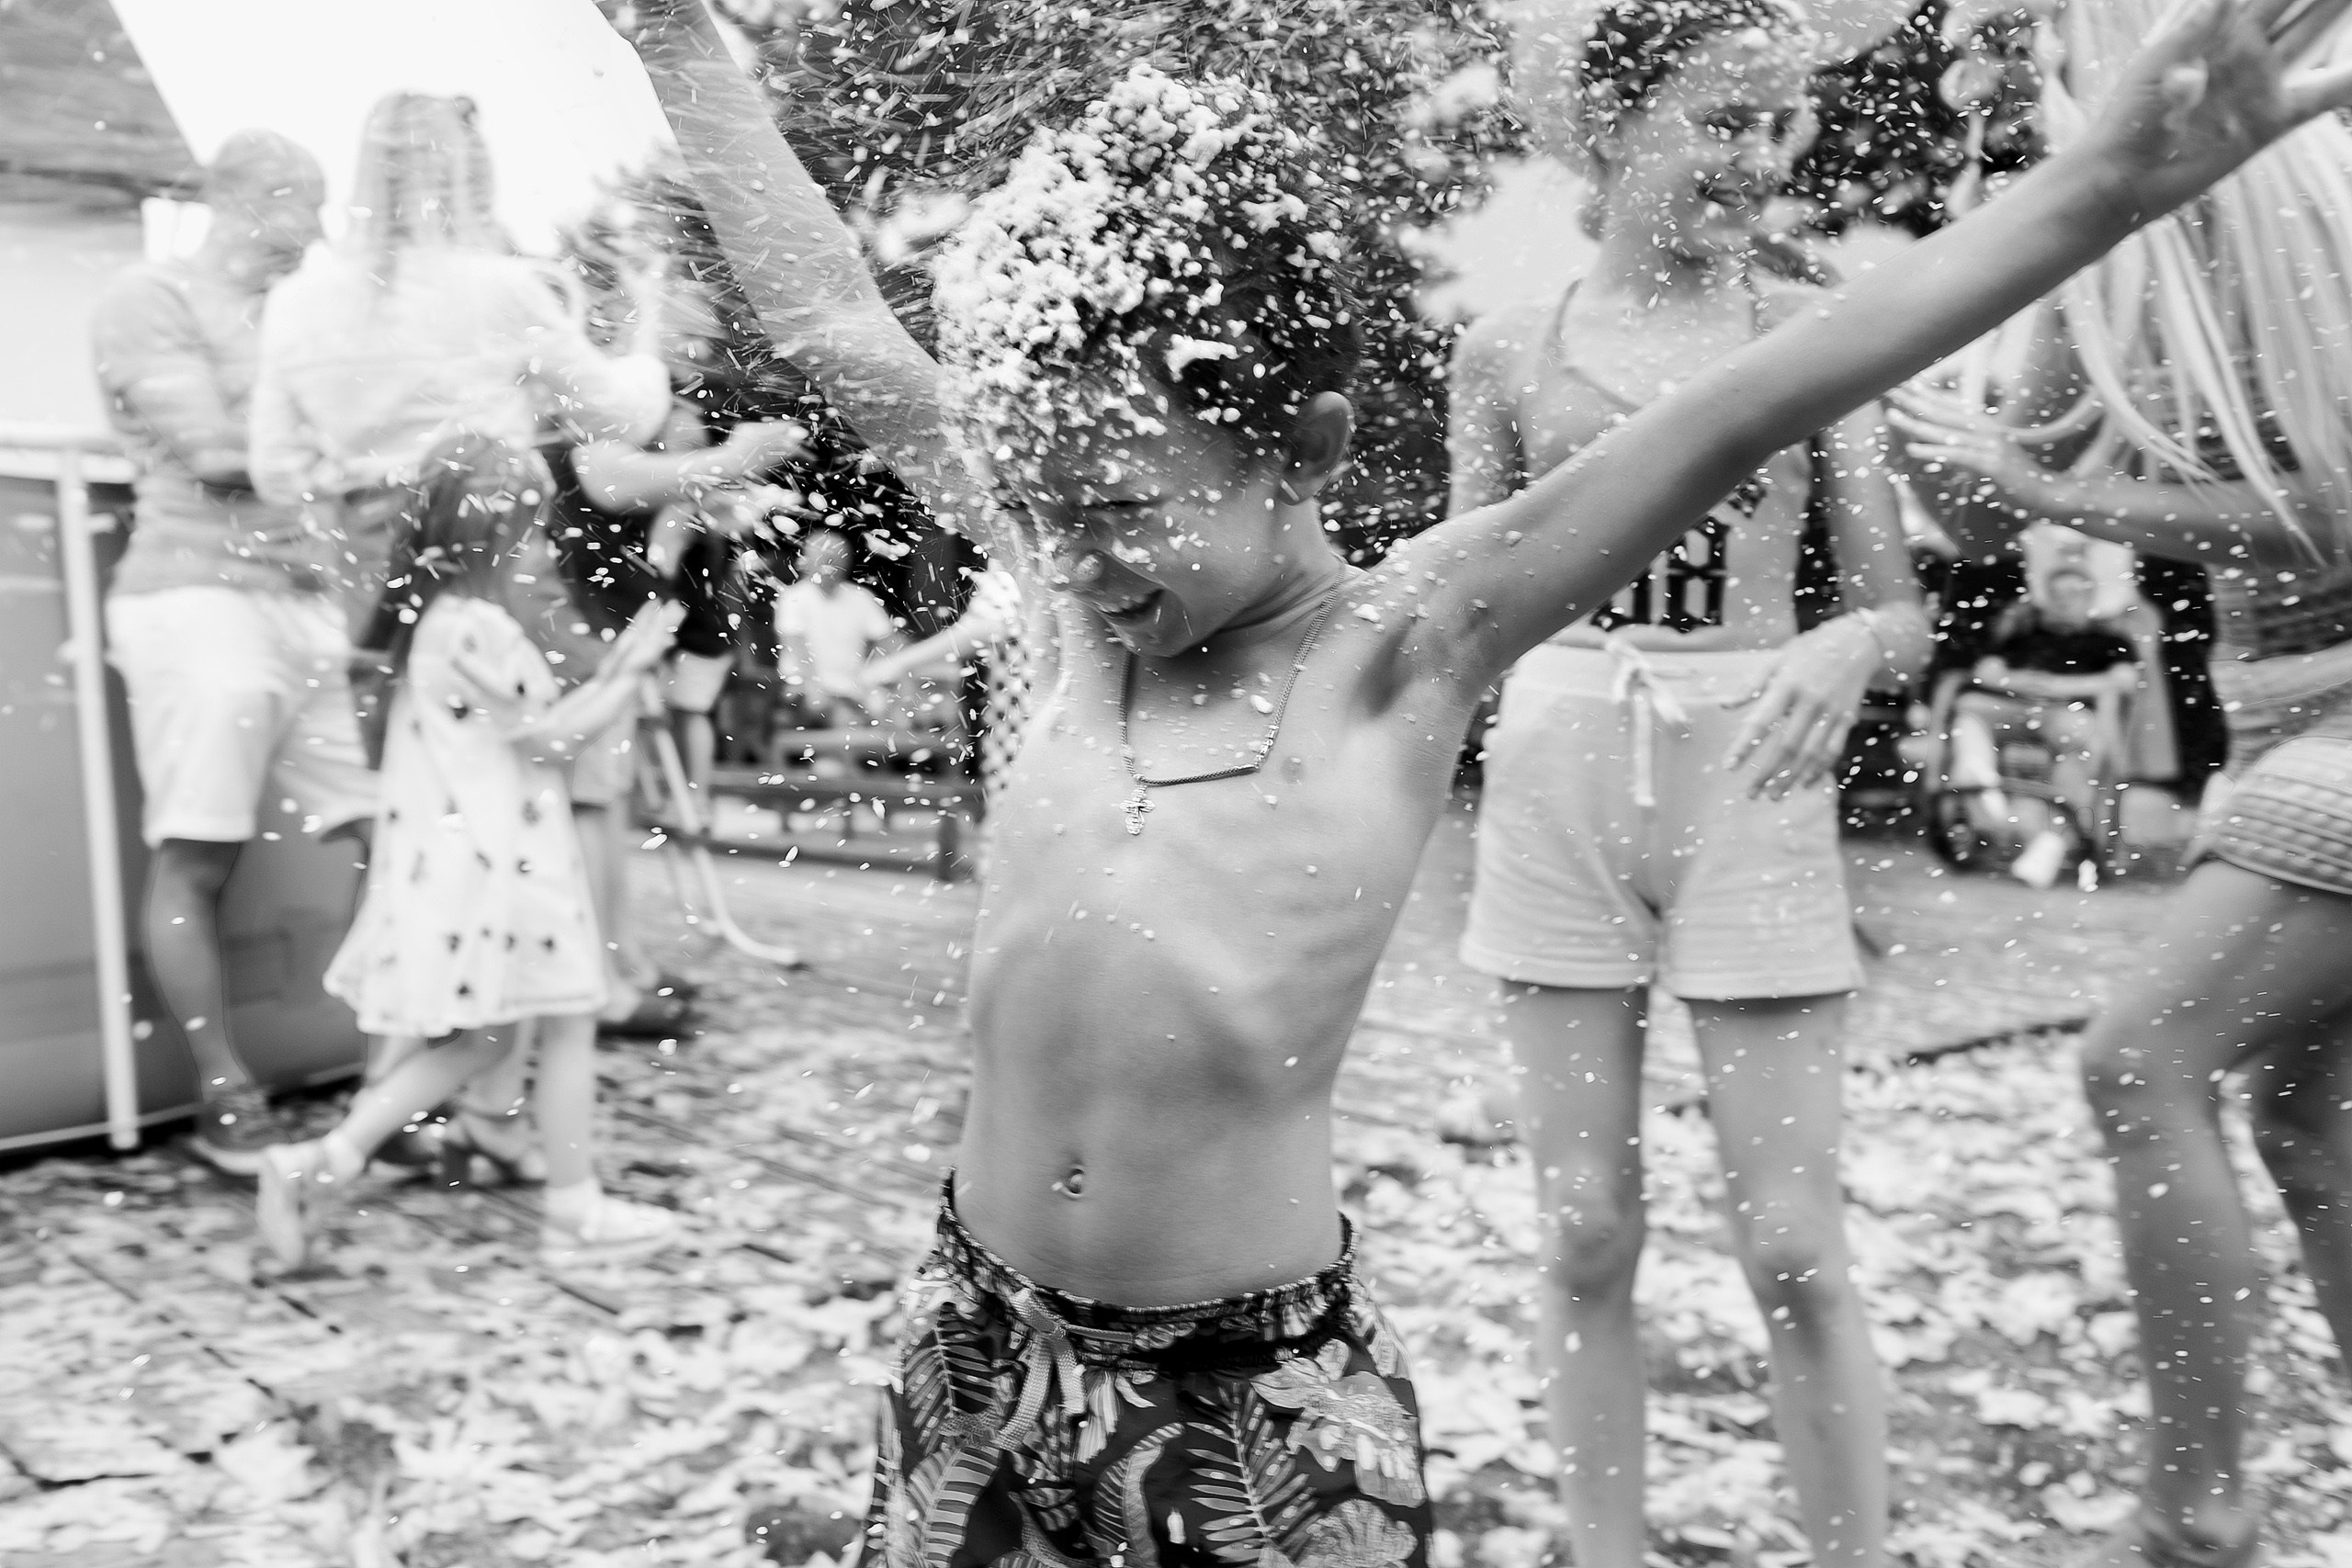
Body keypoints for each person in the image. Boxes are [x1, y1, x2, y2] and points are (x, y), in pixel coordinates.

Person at [608, 0, 2352, 1562]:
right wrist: (679, 37)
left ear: (1302, 448)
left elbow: (1752, 404)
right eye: (1042, 509)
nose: (1067, 554)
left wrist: (2105, 187)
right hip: (974, 1336)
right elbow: (834, 318)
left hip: (1241, 1405)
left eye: (1120, 511)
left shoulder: (1402, 649)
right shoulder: (1073, 598)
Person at [1442, 3, 1933, 1557]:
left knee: (1792, 1243)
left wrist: (1847, 642)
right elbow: (1455, 609)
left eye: (1776, 123)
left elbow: (1901, 613)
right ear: (1611, 124)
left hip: (1753, 773)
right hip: (1558, 779)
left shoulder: (1814, 335)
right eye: (1723, 119)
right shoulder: (1505, 350)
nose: (1760, 157)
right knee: (1585, 1224)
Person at [254, 432, 685, 1268]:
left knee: (480, 1040)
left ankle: (319, 1162)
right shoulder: (478, 626)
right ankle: (575, 1211)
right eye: (530, 530)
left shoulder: (440, 624)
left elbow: (529, 733)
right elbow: (553, 742)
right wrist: (629, 673)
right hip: (511, 868)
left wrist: (617, 671)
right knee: (569, 1024)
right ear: (490, 536)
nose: (541, 548)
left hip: (475, 867)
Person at [91, 129, 378, 1173]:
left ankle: (386, 1076)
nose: (320, 227)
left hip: (305, 605)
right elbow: (215, 451)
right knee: (200, 854)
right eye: (305, 201)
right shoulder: (151, 297)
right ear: (245, 199)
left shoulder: (297, 314)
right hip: (194, 601)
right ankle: (225, 1089)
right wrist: (352, 441)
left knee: (397, 834)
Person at [249, 92, 671, 648]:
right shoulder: (498, 288)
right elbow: (622, 417)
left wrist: (368, 479)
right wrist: (649, 326)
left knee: (404, 701)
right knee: (546, 696)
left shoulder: (295, 302)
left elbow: (276, 471)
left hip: (372, 587)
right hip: (493, 560)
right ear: (465, 177)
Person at [1947, 564, 2138, 887]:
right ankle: (1980, 783)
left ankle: (2053, 840)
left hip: (2067, 713)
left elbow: (2125, 681)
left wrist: (2059, 687)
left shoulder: (2108, 641)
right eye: (2057, 594)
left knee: (2081, 738)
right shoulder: (2024, 635)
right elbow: (1985, 671)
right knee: (1968, 707)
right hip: (2014, 708)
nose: (2064, 601)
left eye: (2073, 594)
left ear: (2090, 598)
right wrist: (2016, 681)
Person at [775, 525, 898, 731]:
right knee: (842, 718)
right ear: (807, 561)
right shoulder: (793, 597)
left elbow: (888, 642)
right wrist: (816, 687)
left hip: (852, 688)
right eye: (825, 558)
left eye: (837, 558)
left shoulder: (861, 597)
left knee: (887, 712)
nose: (832, 565)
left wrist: (878, 677)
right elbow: (796, 647)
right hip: (804, 689)